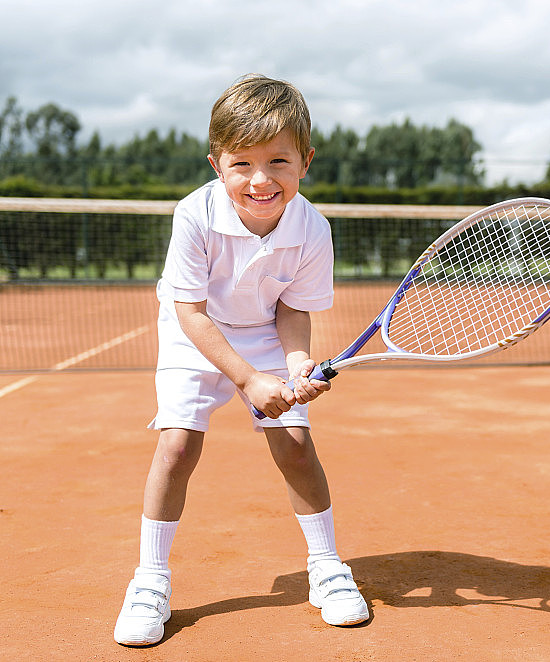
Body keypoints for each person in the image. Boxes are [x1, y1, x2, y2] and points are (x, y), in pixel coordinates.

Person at [114, 74, 368, 647]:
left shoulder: (313, 229)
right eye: (242, 164)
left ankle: (326, 569)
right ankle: (150, 580)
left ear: (305, 161)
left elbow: (293, 311)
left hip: (264, 332)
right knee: (177, 445)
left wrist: (297, 364)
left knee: (296, 445)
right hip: (192, 329)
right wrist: (249, 379)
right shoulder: (195, 215)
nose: (261, 179)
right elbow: (192, 312)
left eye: (278, 161)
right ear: (215, 164)